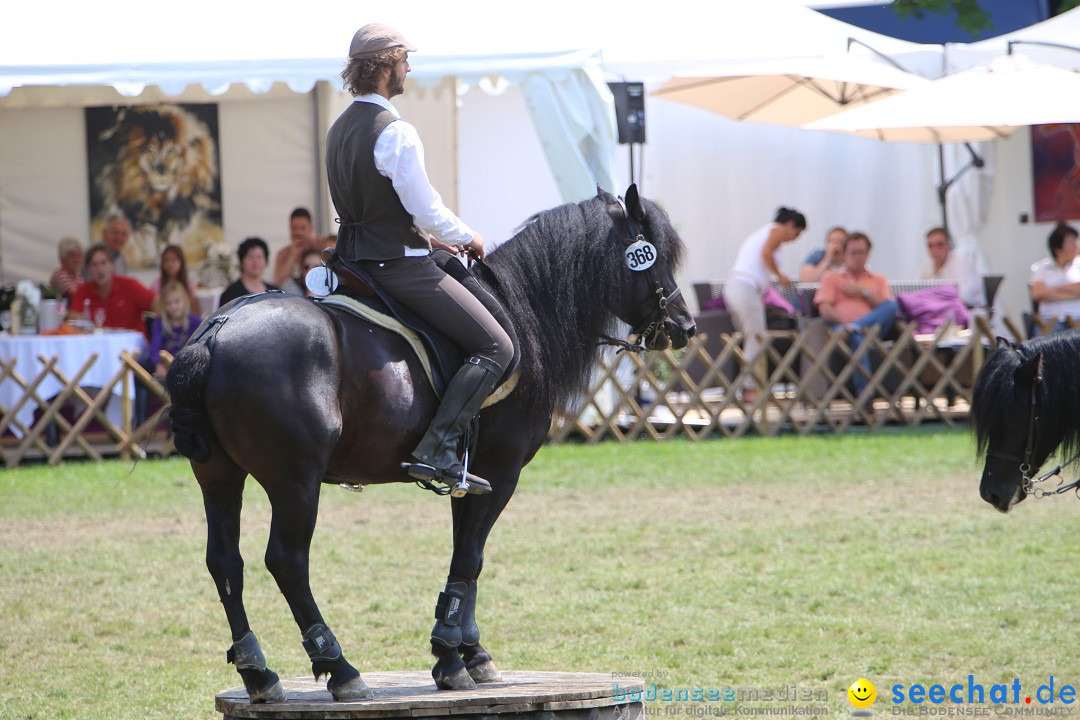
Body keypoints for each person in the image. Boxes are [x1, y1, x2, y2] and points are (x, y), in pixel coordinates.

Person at [325, 22, 513, 493]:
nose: (409, 66)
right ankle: (439, 447)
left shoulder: (338, 129)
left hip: (352, 262)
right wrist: (467, 235)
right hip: (398, 268)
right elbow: (425, 208)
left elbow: (376, 210)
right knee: (497, 347)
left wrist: (429, 241)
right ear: (386, 66)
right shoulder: (396, 132)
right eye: (405, 58)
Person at [724, 207, 805, 403]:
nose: (795, 238)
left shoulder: (761, 233)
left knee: (749, 338)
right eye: (798, 232)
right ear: (791, 225)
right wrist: (780, 275)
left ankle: (749, 386)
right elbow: (766, 252)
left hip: (738, 286)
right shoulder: (776, 230)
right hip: (746, 287)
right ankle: (751, 389)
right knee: (757, 337)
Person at [814, 232, 898, 396]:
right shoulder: (832, 277)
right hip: (841, 329)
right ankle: (865, 398)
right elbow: (824, 308)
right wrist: (845, 323)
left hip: (874, 330)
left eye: (862, 252)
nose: (858, 257)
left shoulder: (878, 279)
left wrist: (863, 292)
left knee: (893, 306)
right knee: (857, 339)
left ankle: (855, 327)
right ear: (845, 254)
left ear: (868, 254)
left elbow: (886, 309)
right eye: (853, 253)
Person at [70, 244, 156, 336]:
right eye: (94, 265)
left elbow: (157, 303)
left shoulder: (130, 286)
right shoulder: (82, 292)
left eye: (104, 263)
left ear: (112, 265)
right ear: (88, 270)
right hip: (98, 347)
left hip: (133, 348)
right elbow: (73, 322)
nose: (100, 269)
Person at [1029, 223, 1080, 334]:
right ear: (1058, 249)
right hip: (1049, 321)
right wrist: (1073, 294)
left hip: (1077, 318)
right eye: (1071, 242)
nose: (1076, 246)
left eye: (1076, 241)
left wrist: (1052, 290)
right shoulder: (1041, 268)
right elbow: (1038, 294)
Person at [147, 280, 202, 381]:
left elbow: (199, 348)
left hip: (188, 368)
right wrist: (158, 364)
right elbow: (154, 347)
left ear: (184, 301)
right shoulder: (159, 323)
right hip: (165, 368)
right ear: (163, 305)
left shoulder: (195, 322)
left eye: (177, 302)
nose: (173, 307)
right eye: (168, 303)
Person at [917, 227, 983, 307]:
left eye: (939, 244)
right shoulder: (927, 265)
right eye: (930, 246)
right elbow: (916, 291)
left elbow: (964, 298)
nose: (935, 250)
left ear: (948, 244)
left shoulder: (961, 263)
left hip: (968, 313)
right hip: (939, 311)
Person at [218, 237, 280, 307]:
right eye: (250, 257)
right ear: (241, 262)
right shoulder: (230, 294)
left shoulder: (275, 291)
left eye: (259, 257)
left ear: (266, 262)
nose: (255, 262)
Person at [273, 207, 318, 293]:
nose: (298, 232)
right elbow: (278, 283)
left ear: (311, 229)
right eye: (294, 228)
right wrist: (292, 256)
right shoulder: (283, 253)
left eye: (303, 228)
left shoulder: (319, 246)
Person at [150, 244, 201, 315]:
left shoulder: (189, 284)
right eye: (166, 260)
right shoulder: (157, 285)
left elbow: (196, 312)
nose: (170, 264)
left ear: (181, 262)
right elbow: (155, 311)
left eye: (174, 260)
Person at [48, 237, 85, 302]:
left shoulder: (79, 278)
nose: (77, 259)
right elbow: (73, 293)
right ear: (62, 259)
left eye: (79, 255)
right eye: (72, 255)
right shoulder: (59, 275)